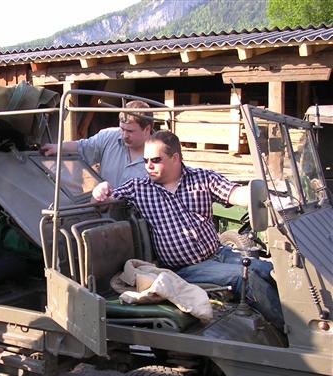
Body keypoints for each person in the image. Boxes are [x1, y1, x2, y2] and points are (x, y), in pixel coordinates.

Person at [92, 130, 284, 330]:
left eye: (155, 160)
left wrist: (262, 196)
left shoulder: (202, 178)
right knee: (245, 277)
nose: (148, 166)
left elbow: (235, 193)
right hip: (187, 268)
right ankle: (295, 334)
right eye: (145, 160)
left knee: (267, 269)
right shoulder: (139, 187)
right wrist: (99, 191)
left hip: (218, 253)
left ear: (175, 158)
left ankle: (302, 322)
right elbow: (102, 203)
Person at [40, 100, 153, 187]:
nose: (124, 135)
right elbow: (83, 147)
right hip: (106, 213)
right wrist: (58, 147)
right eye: (122, 129)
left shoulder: (160, 155)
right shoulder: (109, 137)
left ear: (147, 129)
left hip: (139, 216)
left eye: (130, 131)